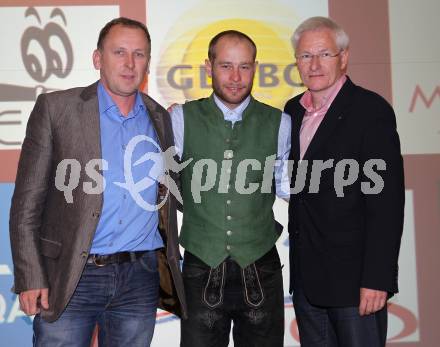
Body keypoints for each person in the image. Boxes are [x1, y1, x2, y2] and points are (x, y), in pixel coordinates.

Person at [9, 17, 185, 346]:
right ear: (97, 58)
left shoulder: (161, 117)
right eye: (119, 52)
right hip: (72, 276)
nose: (130, 63)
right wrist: (31, 276)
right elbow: (26, 204)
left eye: (139, 54)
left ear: (148, 62)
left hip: (139, 277)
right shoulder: (57, 109)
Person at [284, 16, 405, 347]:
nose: (314, 64)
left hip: (356, 285)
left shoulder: (370, 111)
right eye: (305, 56)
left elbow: (387, 204)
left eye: (324, 54)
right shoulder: (292, 112)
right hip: (308, 282)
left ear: (344, 57)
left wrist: (378, 279)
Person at [169, 30, 291, 347]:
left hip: (261, 268)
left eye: (244, 67)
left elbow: (289, 188)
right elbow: (166, 186)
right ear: (208, 67)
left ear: (255, 68)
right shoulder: (180, 119)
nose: (236, 77)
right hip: (200, 267)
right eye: (225, 66)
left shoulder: (281, 123)